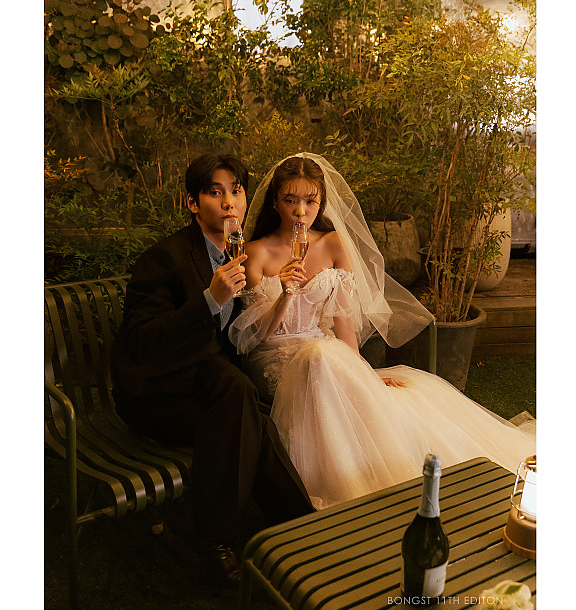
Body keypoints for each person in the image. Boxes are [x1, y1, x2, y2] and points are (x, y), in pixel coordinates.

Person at [229, 154, 536, 510]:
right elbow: (256, 337)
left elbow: (344, 328)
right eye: (290, 200)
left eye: (310, 201)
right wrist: (285, 294)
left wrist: (362, 373)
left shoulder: (333, 244)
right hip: (276, 361)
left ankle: (395, 475)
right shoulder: (256, 252)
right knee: (319, 355)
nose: (301, 211)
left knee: (364, 379)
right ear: (275, 201)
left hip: (327, 356)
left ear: (321, 202)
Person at [110, 153, 314, 593]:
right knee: (238, 396)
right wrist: (209, 299)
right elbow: (143, 343)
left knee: (245, 407)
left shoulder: (238, 253)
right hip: (156, 394)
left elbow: (240, 337)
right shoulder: (164, 259)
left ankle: (298, 532)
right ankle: (224, 550)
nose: (228, 203)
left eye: (236, 191)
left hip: (207, 390)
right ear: (192, 203)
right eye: (215, 192)